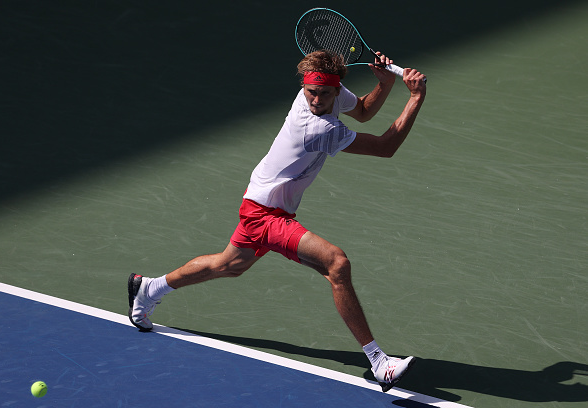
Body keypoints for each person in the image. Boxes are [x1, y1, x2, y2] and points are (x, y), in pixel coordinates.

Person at [128, 49, 426, 392]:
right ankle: (378, 362)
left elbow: (360, 110)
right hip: (264, 214)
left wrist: (385, 83)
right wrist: (415, 97)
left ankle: (149, 288)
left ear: (335, 87)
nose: (315, 99)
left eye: (324, 93)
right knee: (337, 264)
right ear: (305, 85)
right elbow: (385, 146)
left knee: (230, 265)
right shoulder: (317, 127)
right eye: (310, 91)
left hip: (260, 201)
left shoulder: (326, 94)